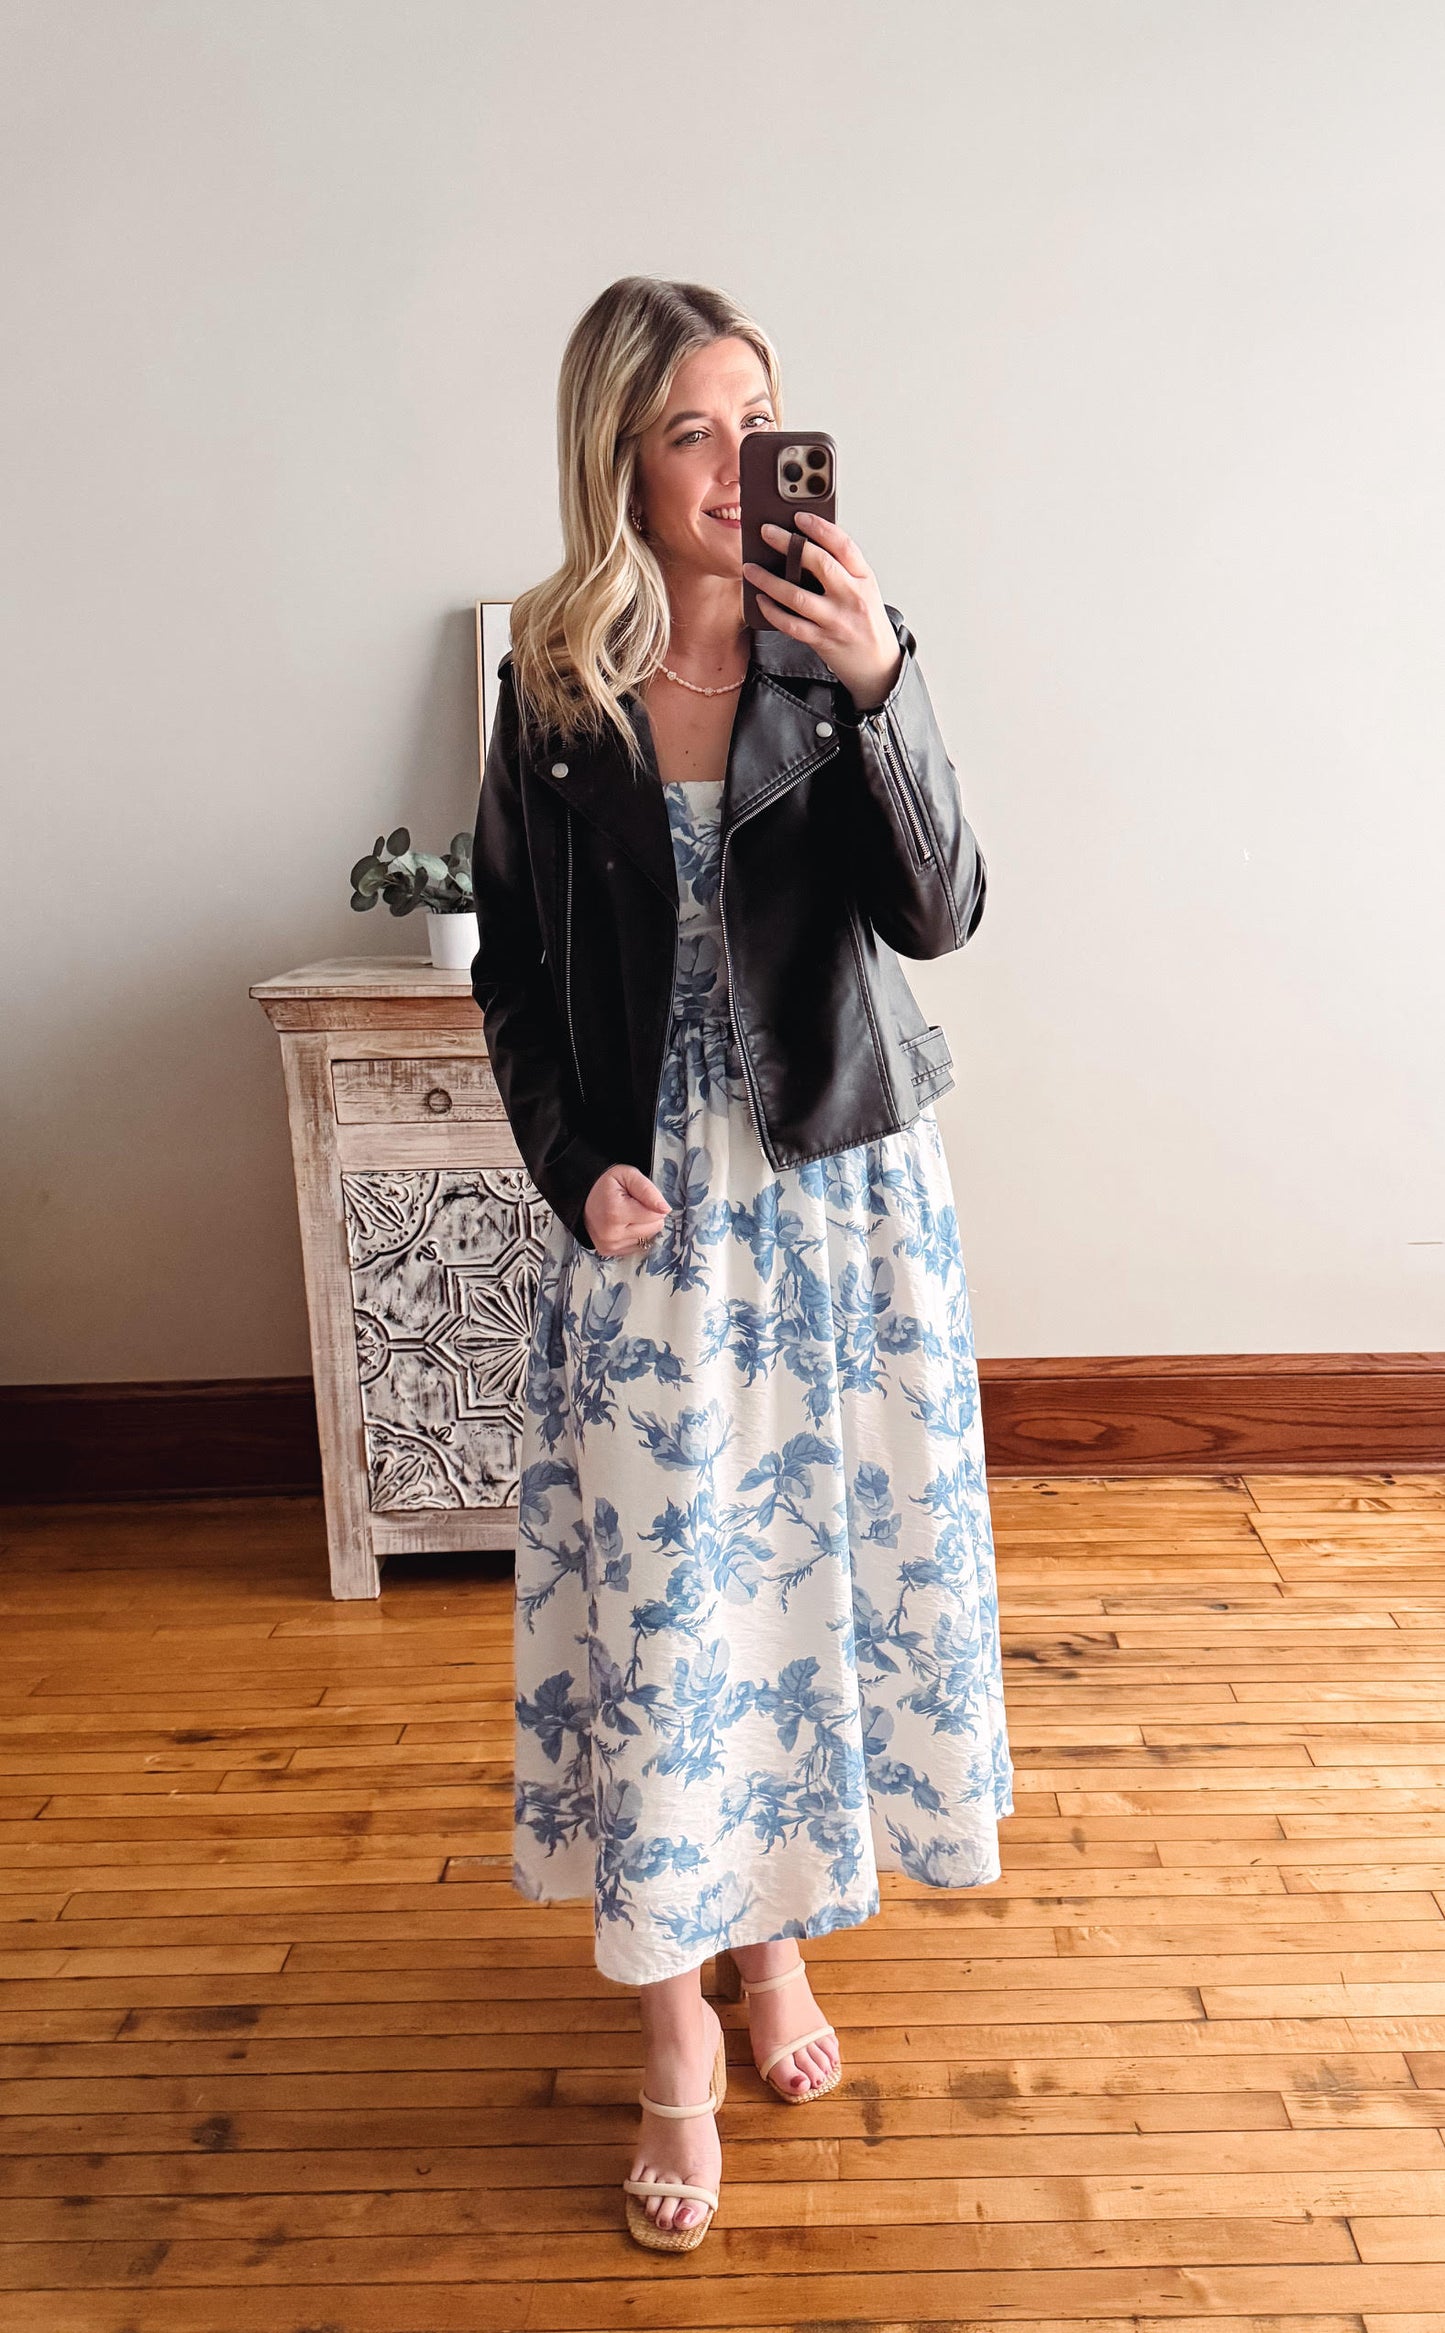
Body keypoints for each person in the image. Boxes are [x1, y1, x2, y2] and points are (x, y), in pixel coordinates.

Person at [471, 275, 1013, 2254]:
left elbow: (942, 912)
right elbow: (516, 984)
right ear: (618, 454)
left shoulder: (831, 655)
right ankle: (671, 2044)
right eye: (692, 431)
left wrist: (886, 684)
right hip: (654, 1216)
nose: (731, 467)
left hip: (839, 1203)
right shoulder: (553, 692)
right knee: (666, 1620)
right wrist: (573, 1167)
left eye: (756, 421)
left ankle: (775, 1957)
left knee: (805, 1609)